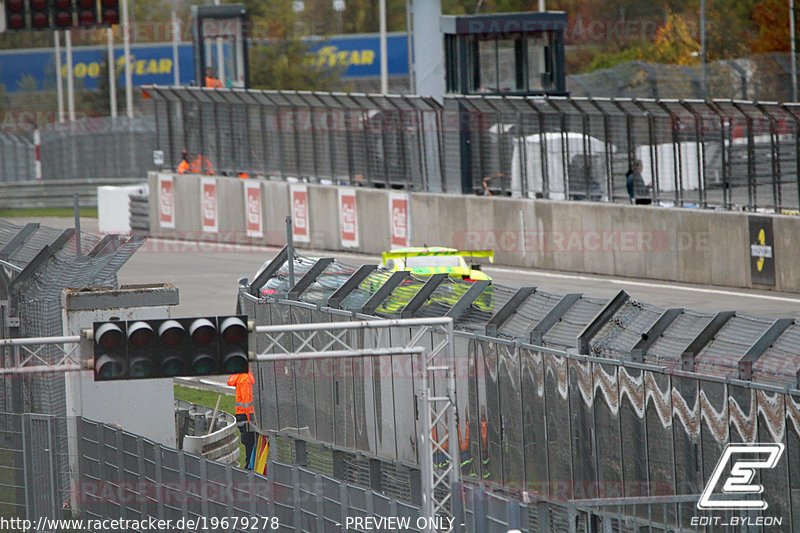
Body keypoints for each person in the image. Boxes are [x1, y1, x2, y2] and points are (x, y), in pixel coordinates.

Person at [228, 370, 256, 469]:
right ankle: (250, 468)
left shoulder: (241, 376)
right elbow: (247, 401)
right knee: (251, 443)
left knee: (249, 442)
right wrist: (251, 419)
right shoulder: (245, 379)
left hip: (242, 415)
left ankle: (251, 466)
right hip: (246, 416)